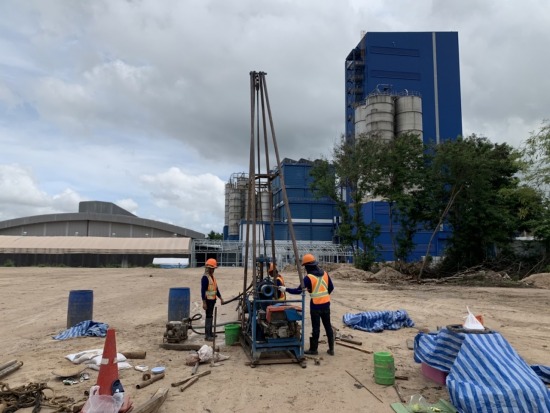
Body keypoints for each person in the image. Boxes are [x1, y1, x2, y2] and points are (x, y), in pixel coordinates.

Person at [279, 254, 335, 356]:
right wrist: (324, 296)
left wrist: (285, 289)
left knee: (316, 328)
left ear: (307, 266)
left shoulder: (308, 278)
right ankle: (331, 349)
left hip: (315, 306)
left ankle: (314, 350)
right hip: (326, 304)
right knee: (328, 326)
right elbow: (331, 287)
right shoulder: (325, 274)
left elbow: (298, 291)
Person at [201, 258, 224, 341]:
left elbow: (216, 289)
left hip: (212, 300)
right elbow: (203, 291)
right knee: (208, 316)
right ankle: (207, 335)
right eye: (212, 268)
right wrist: (204, 302)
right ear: (208, 268)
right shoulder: (205, 278)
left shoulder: (212, 277)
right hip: (208, 300)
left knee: (210, 316)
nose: (213, 270)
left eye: (214, 268)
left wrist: (220, 298)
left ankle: (210, 333)